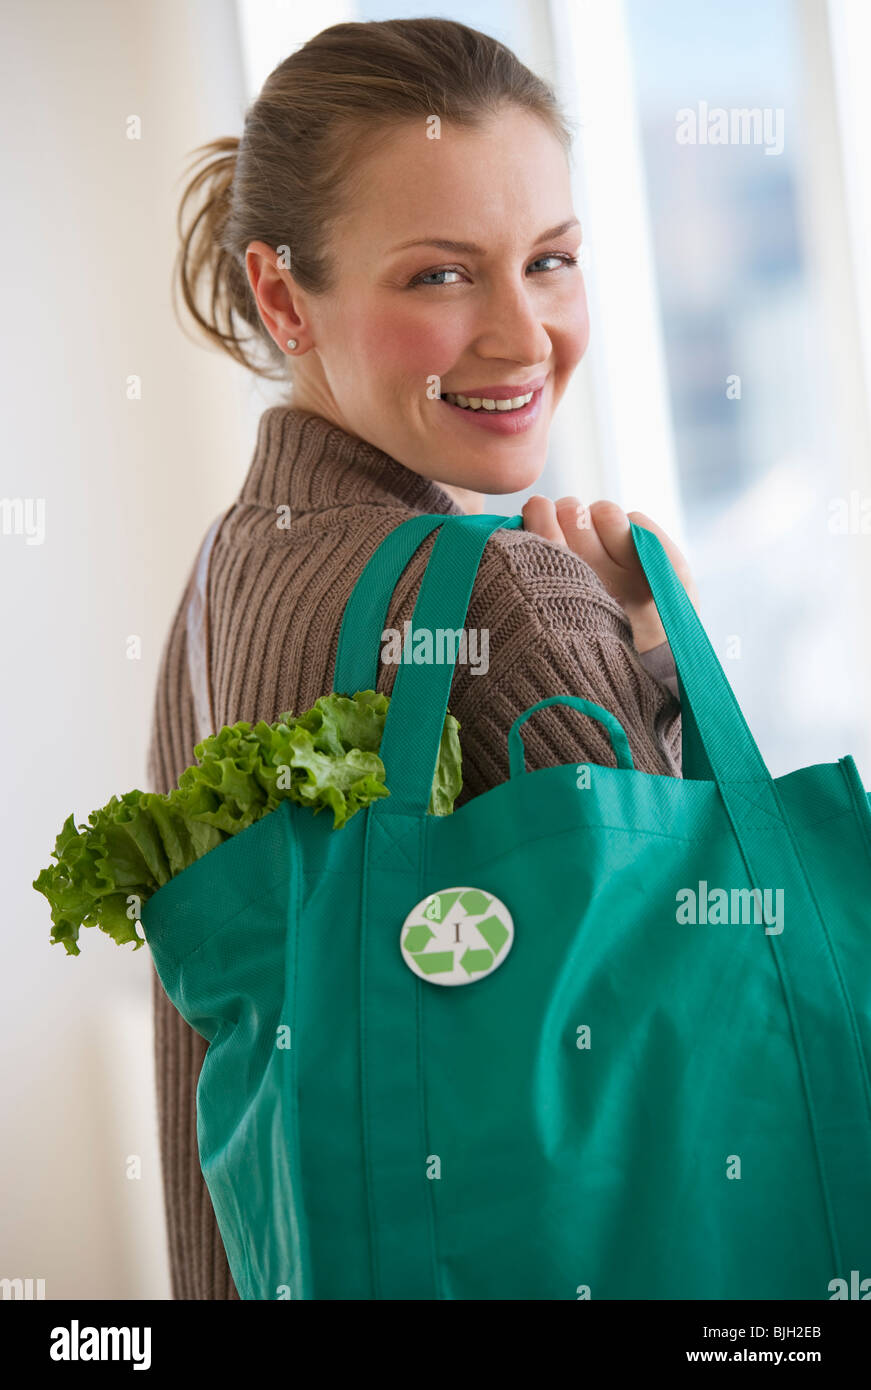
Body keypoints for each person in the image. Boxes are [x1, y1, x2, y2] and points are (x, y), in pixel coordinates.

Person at [147, 15, 699, 1299]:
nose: (522, 336)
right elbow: (695, 1034)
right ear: (284, 295)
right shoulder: (510, 589)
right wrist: (646, 653)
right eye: (441, 277)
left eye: (550, 261)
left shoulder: (224, 574)